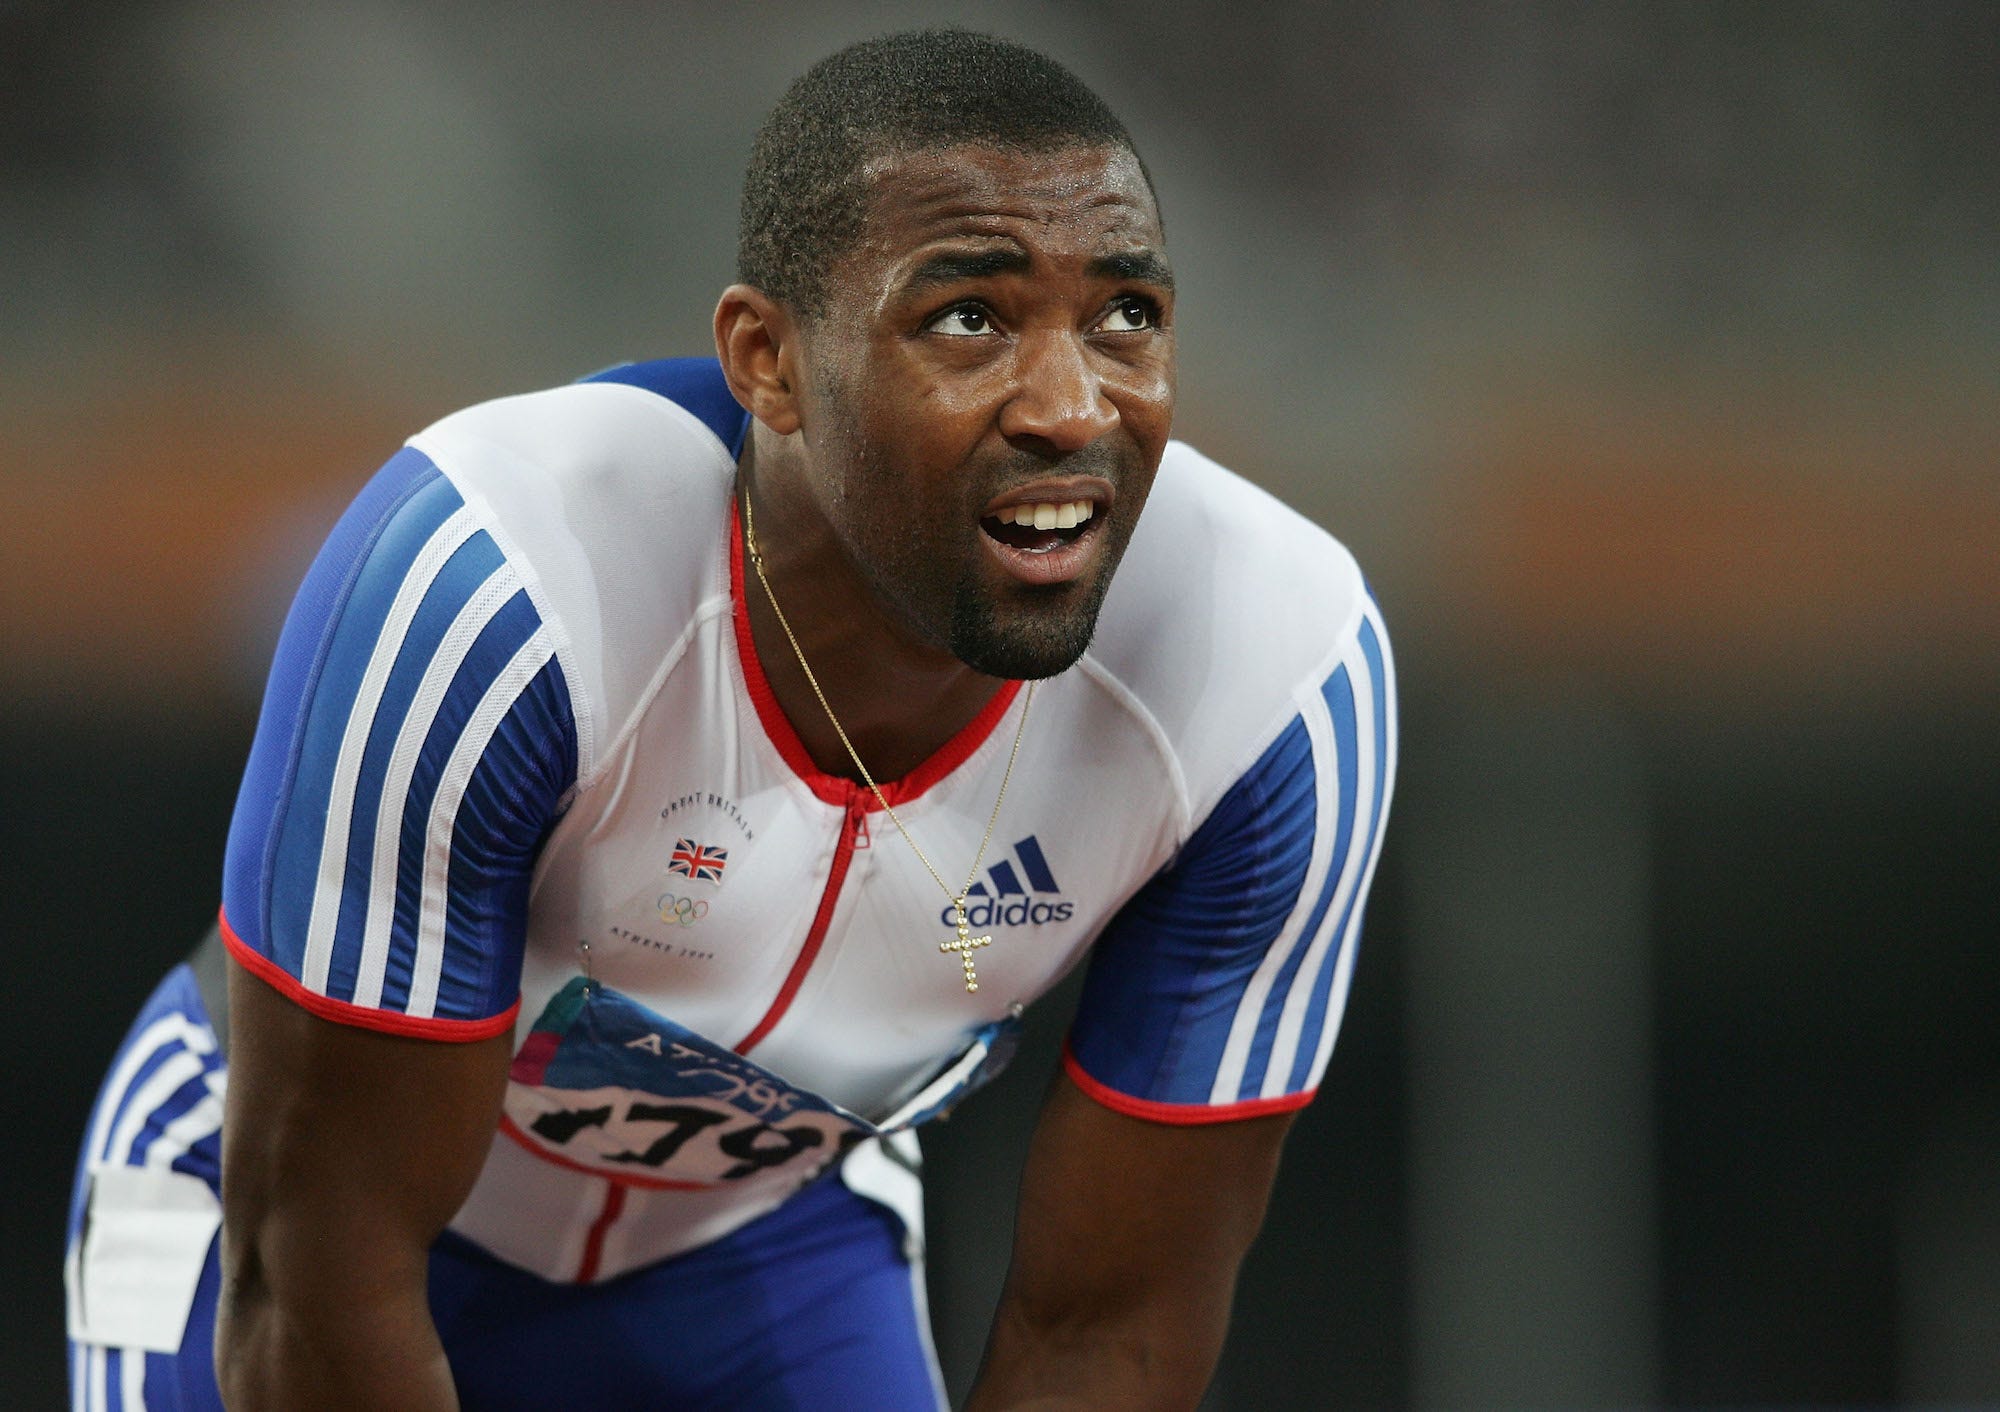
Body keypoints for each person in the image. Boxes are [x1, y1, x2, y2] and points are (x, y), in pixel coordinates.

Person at [64, 28, 1395, 1411]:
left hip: (761, 1250)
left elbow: (1107, 1334)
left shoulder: (1275, 681)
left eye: (1127, 314)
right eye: (968, 319)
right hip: (300, 1230)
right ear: (769, 362)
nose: (1072, 408)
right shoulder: (498, 587)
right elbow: (324, 1276)